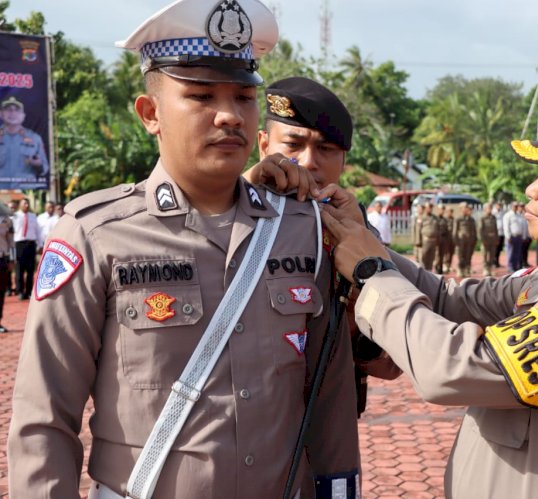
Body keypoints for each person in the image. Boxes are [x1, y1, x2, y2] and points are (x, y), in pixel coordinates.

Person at [8, 1, 360, 498]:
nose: (229, 115)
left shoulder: (302, 228)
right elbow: (44, 416)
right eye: (200, 96)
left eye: (243, 96)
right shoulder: (97, 234)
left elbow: (330, 398)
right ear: (150, 113)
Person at [319, 101, 538, 497]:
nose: (531, 189)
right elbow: (446, 297)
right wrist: (362, 235)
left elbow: (453, 370)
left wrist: (372, 273)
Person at [244, 74, 401, 415]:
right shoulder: (229, 215)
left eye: (326, 149)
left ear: (343, 160)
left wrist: (355, 317)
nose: (309, 161)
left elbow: (391, 364)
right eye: (293, 144)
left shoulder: (354, 230)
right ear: (263, 145)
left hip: (325, 421)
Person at [0, 96, 49, 188]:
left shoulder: (35, 138)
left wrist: (38, 164)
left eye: (17, 110)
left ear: (23, 116)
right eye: (8, 110)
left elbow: (45, 168)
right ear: (1, 114)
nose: (12, 113)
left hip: (26, 188)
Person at [12, 197, 42, 300]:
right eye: (24, 203)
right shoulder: (14, 217)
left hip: (31, 244)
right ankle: (20, 291)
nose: (27, 205)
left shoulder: (33, 216)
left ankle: (29, 292)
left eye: (27, 203)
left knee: (30, 270)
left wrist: (40, 244)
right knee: (19, 269)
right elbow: (12, 233)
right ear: (20, 205)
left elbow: (38, 231)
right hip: (19, 244)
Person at [452, 202, 476, 278]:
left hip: (469, 241)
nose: (466, 209)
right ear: (461, 209)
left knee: (468, 256)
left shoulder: (471, 219)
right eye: (465, 207)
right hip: (461, 241)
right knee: (461, 256)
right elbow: (455, 231)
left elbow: (474, 231)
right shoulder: (458, 219)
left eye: (467, 207)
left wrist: (474, 240)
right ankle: (460, 269)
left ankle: (466, 269)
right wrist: (456, 241)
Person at [503, 201, 526, 272]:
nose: (516, 207)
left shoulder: (519, 215)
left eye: (517, 206)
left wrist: (523, 236)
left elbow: (522, 226)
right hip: (512, 236)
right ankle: (510, 267)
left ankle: (516, 266)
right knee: (511, 253)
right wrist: (508, 236)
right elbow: (506, 227)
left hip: (519, 236)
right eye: (515, 206)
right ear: (511, 206)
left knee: (517, 253)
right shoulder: (508, 215)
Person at [417, 202, 440, 271]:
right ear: (426, 208)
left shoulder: (435, 218)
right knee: (424, 257)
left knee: (431, 257)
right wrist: (418, 241)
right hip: (425, 240)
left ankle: (429, 270)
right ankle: (423, 271)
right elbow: (418, 230)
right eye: (428, 208)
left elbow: (438, 229)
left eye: (431, 208)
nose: (430, 209)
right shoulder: (422, 217)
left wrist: (438, 241)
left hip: (433, 240)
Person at [0, 204, 13, 332]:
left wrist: (12, 259)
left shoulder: (7, 220)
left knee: (0, 292)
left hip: (2, 259)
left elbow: (11, 241)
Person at [479, 203, 499, 276]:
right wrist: (483, 240)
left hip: (493, 239)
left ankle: (490, 269)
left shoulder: (493, 217)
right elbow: (480, 230)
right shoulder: (482, 218)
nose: (489, 209)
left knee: (492, 255)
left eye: (490, 208)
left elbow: (496, 229)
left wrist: (497, 239)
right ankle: (485, 269)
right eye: (488, 208)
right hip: (486, 240)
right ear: (485, 209)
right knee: (485, 255)